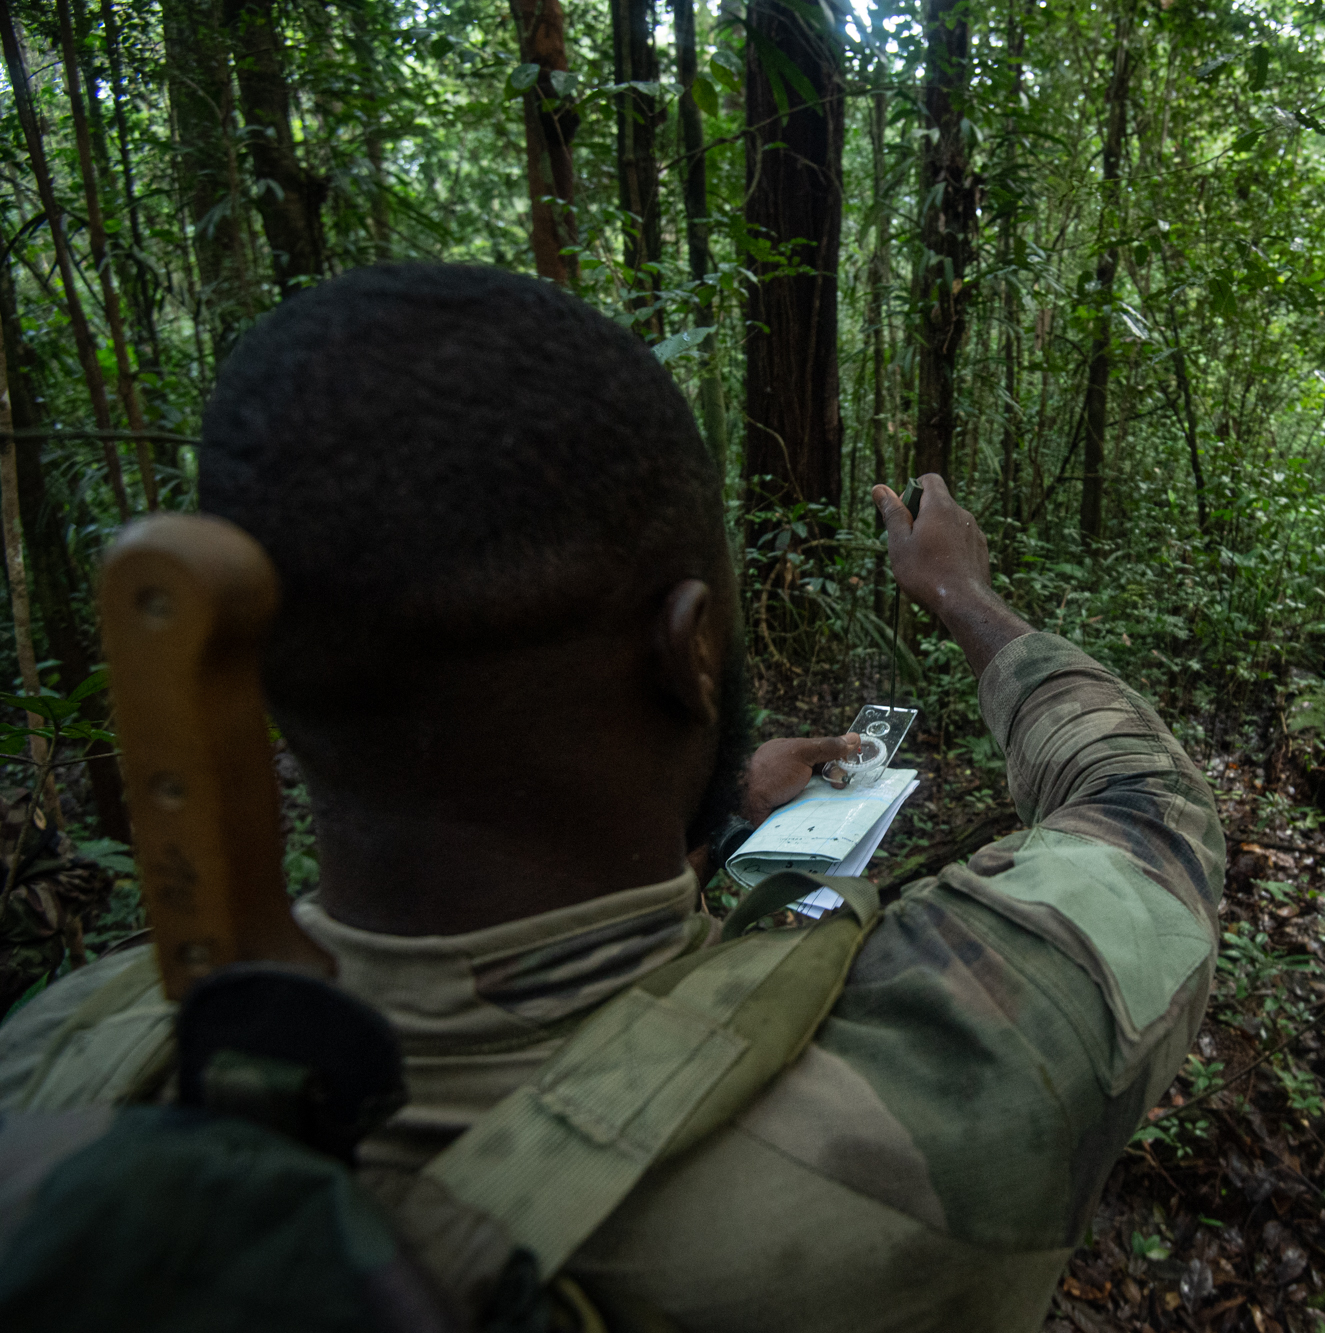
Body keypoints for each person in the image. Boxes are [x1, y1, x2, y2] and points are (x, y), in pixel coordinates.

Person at [0, 264, 1222, 1331]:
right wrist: (961, 595)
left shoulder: (58, 1053)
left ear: (265, 672)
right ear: (692, 650)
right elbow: (1146, 809)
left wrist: (720, 809)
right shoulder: (947, 1083)